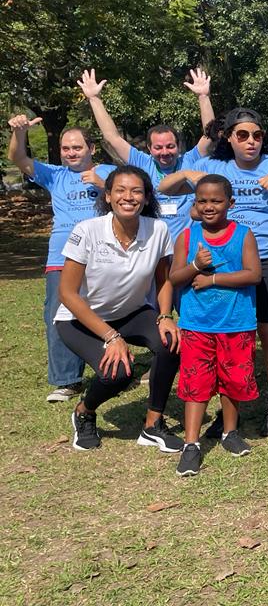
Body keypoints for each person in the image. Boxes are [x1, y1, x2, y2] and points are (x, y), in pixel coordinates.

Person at [159, 107, 268, 437]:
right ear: (229, 138)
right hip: (225, 261)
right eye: (243, 135)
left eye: (257, 135)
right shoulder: (215, 166)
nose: (251, 141)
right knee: (229, 335)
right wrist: (187, 174)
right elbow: (164, 187)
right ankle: (228, 409)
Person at [55, 167, 180, 452]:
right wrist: (112, 337)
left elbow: (164, 281)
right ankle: (84, 411)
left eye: (136, 191)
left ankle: (153, 426)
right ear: (108, 196)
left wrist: (165, 316)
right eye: (120, 190)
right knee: (118, 373)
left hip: (132, 312)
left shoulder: (158, 229)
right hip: (79, 319)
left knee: (171, 343)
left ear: (146, 198)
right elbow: (67, 293)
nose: (128, 197)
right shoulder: (87, 230)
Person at [7, 113, 116, 402]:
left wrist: (103, 184)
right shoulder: (55, 175)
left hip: (103, 253)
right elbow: (17, 158)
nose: (71, 153)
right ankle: (67, 380)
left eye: (77, 147)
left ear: (91, 148)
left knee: (106, 311)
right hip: (62, 256)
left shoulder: (109, 171)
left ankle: (114, 365)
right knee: (58, 314)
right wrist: (20, 133)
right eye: (66, 148)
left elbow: (132, 195)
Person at [170, 175, 261, 476]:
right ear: (195, 204)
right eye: (202, 201)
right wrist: (195, 265)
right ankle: (191, 444)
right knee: (195, 384)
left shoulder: (243, 235)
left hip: (236, 322)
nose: (209, 207)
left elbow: (253, 274)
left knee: (233, 379)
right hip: (197, 323)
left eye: (216, 201)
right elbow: (174, 278)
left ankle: (229, 431)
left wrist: (212, 279)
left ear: (230, 203)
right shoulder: (187, 236)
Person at [78, 67, 216, 241]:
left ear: (179, 146)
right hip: (151, 245)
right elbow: (113, 138)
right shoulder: (142, 163)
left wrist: (203, 96)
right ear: (149, 149)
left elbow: (210, 135)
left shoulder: (190, 160)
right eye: (158, 148)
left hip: (188, 246)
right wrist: (94, 99)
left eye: (170, 146)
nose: (164, 152)